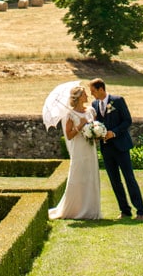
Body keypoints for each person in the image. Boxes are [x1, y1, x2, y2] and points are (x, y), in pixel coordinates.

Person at [90, 77, 143, 220]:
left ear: (101, 89)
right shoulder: (94, 104)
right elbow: (96, 124)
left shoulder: (118, 100)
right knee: (115, 181)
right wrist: (97, 134)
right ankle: (125, 210)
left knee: (129, 178)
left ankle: (140, 211)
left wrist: (113, 132)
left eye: (93, 91)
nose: (92, 94)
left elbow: (127, 120)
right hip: (106, 148)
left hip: (121, 146)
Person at [45, 83, 101, 220]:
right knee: (78, 177)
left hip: (90, 148)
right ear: (79, 97)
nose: (87, 95)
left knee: (91, 176)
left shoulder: (91, 111)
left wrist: (95, 133)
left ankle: (91, 210)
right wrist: (80, 126)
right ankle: (76, 209)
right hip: (79, 149)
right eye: (84, 94)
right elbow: (69, 136)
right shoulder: (70, 115)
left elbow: (94, 126)